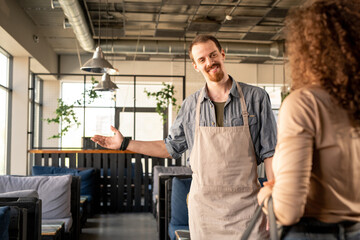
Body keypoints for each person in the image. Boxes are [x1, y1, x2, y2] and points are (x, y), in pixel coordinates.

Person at [92, 34, 277, 239]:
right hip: (205, 211)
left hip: (248, 207)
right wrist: (125, 143)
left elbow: (270, 153)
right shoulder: (191, 105)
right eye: (202, 59)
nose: (210, 62)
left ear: (222, 54)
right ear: (196, 66)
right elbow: (170, 148)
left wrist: (273, 198)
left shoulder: (256, 98)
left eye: (213, 55)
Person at [257, 0, 360, 239]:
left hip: (314, 233)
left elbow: (288, 210)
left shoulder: (305, 102)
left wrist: (267, 196)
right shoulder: (353, 103)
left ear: (308, 49)